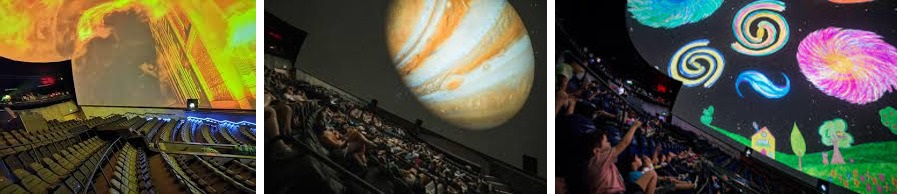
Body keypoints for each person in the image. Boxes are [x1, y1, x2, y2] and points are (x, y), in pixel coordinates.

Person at [587, 119, 643, 194]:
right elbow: (624, 143)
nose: (609, 143)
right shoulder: (598, 160)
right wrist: (634, 126)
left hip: (621, 190)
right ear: (597, 151)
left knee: (651, 175)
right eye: (606, 142)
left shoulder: (603, 161)